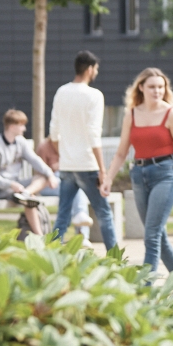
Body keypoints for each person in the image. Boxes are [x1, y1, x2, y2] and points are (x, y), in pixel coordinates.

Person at [103, 68, 173, 275]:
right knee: (157, 233)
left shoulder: (171, 114)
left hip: (165, 174)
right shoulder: (131, 114)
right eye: (152, 87)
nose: (157, 91)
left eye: (160, 87)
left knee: (151, 234)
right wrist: (108, 178)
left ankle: (146, 288)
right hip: (138, 175)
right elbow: (121, 153)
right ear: (141, 87)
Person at [49, 50, 118, 249]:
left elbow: (54, 132)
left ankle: (50, 255)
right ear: (89, 69)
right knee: (103, 213)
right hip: (88, 165)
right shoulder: (94, 96)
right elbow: (93, 133)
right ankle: (115, 259)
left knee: (63, 215)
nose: (96, 72)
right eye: (96, 69)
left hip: (68, 165)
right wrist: (103, 170)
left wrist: (64, 154)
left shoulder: (61, 92)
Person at [0, 109, 58, 236]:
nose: (24, 129)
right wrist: (11, 185)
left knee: (42, 177)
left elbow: (35, 160)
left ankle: (25, 193)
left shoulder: (21, 142)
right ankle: (40, 236)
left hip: (17, 187)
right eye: (21, 125)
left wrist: (50, 174)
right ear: (12, 127)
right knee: (30, 200)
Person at [35, 136, 93, 237]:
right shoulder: (43, 147)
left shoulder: (68, 145)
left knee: (74, 187)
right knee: (74, 187)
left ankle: (78, 233)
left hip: (66, 184)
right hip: (48, 184)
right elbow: (40, 173)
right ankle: (81, 233)